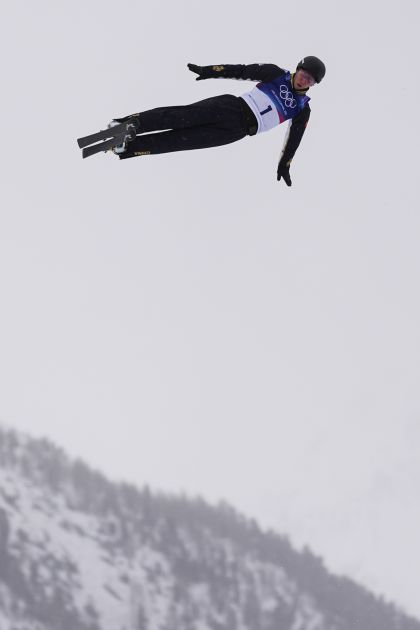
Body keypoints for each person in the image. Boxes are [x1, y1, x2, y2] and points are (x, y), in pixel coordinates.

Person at [111, 56, 326, 186]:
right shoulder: (275, 73)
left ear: (313, 84)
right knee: (178, 117)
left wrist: (284, 165)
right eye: (303, 74)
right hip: (230, 107)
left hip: (236, 131)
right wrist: (208, 71)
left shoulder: (302, 109)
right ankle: (128, 125)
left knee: (179, 142)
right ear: (298, 69)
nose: (303, 80)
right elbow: (242, 70)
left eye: (309, 79)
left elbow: (294, 139)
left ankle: (128, 147)